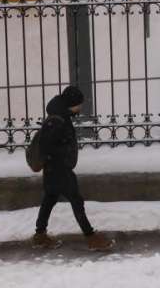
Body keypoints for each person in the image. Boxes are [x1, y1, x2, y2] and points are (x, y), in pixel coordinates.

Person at [31, 86, 114, 251]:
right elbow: (48, 146)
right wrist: (63, 154)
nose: (80, 108)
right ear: (71, 103)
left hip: (54, 169)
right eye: (79, 104)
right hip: (59, 169)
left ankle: (40, 235)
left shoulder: (61, 116)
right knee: (76, 201)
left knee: (50, 199)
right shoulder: (57, 120)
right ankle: (91, 237)